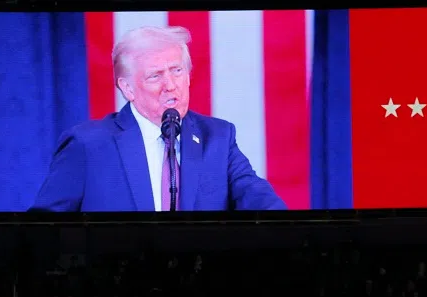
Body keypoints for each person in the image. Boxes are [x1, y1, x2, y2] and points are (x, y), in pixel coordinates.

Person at [32, 26, 287, 213]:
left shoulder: (218, 137)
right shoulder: (87, 145)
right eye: (155, 76)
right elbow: (44, 230)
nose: (170, 85)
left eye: (177, 71)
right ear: (127, 88)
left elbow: (255, 196)